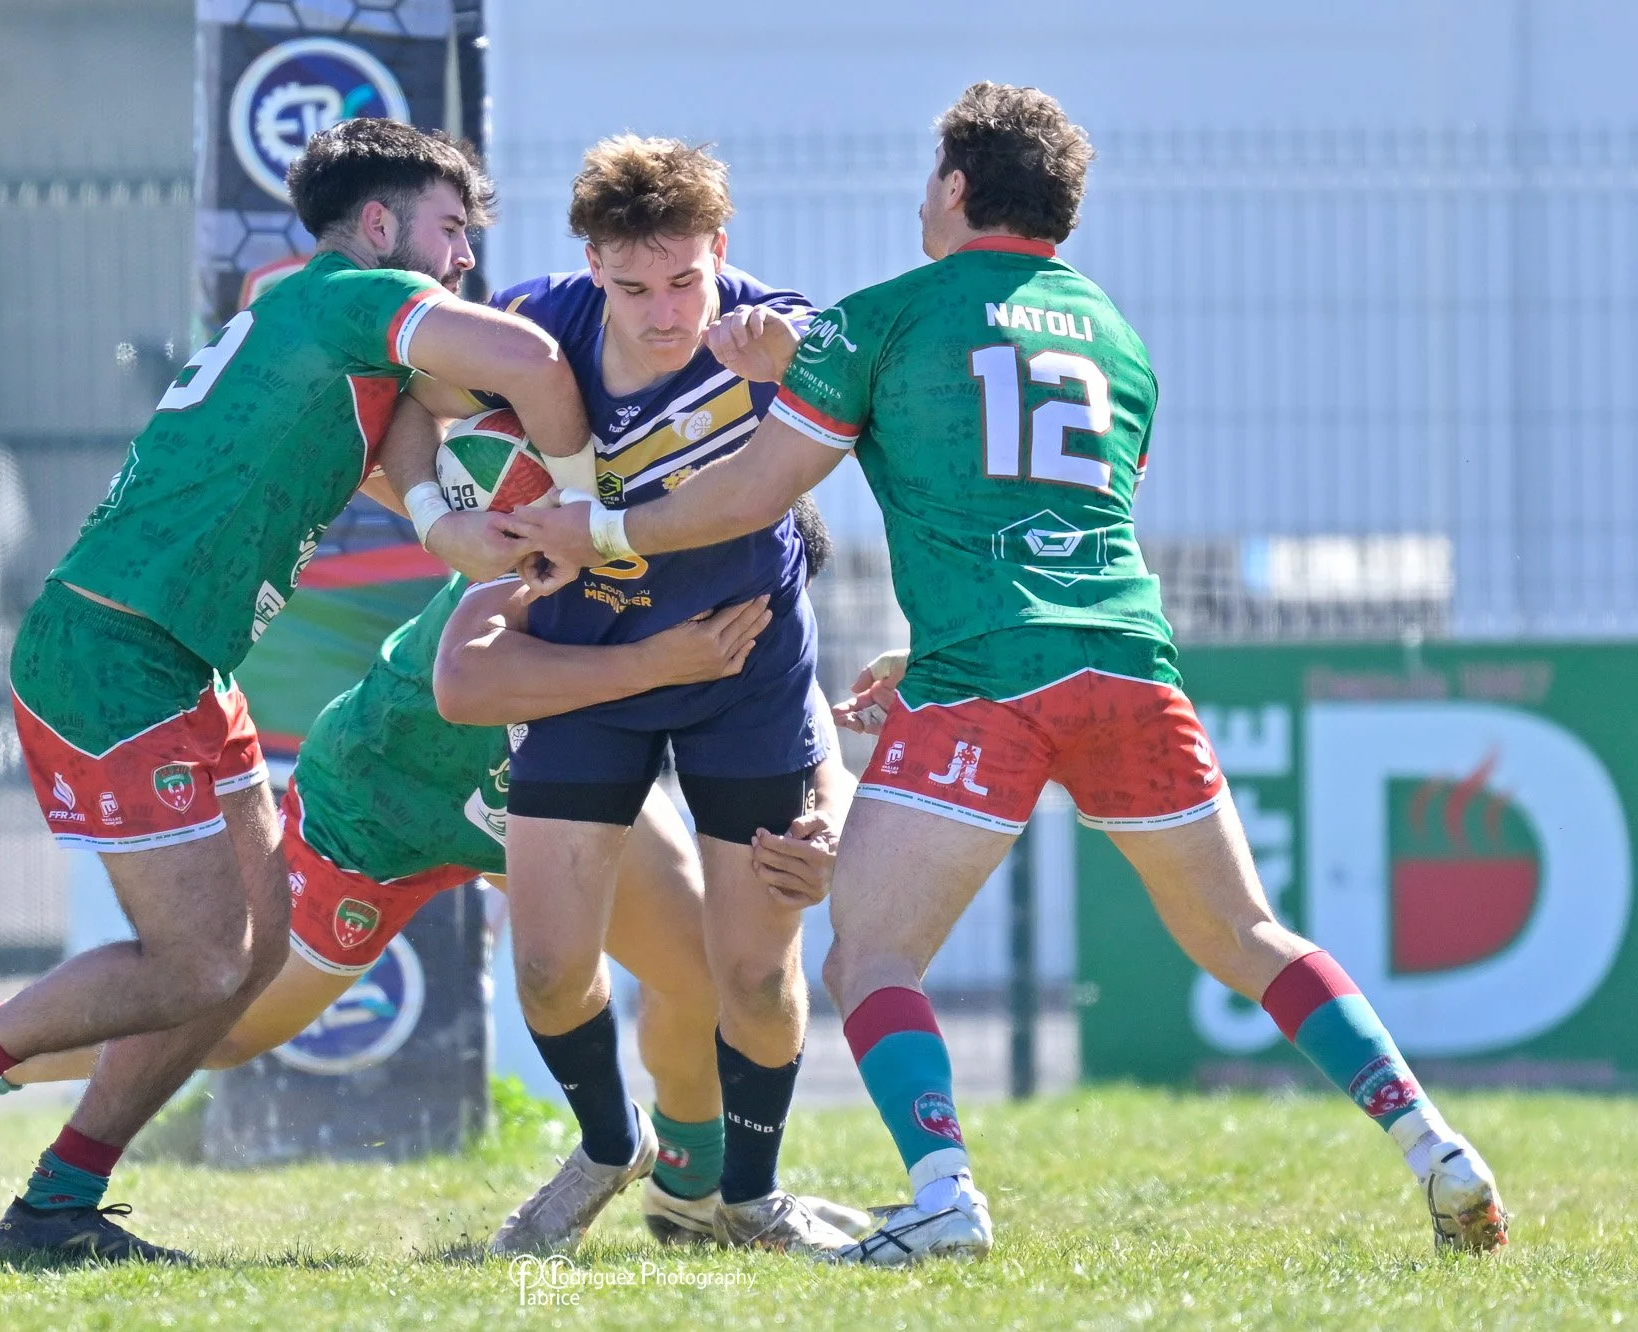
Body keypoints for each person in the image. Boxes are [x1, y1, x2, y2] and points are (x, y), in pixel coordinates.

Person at [504, 83, 1510, 1264]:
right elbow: (1046, 531)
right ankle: (1433, 1145)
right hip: (1129, 666)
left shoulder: (881, 316)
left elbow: (743, 496)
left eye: (928, 173)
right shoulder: (1120, 340)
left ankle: (941, 1194)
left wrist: (601, 535)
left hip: (986, 685)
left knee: (868, 956)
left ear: (956, 189)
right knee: (1247, 933)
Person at [0, 117, 596, 1263]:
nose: (463, 261)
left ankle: (55, 1208)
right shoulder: (351, 291)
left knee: (248, 959)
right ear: (383, 224)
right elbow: (532, 364)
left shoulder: (330, 316)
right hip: (111, 652)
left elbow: (404, 417)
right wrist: (590, 510)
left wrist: (452, 525)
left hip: (177, 660)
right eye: (450, 231)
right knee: (195, 959)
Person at [0, 516, 866, 1249]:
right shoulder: (563, 547)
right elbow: (474, 689)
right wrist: (656, 671)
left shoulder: (743, 605)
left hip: (553, 804)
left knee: (693, 962)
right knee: (232, 1023)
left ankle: (689, 1191)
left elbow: (804, 727)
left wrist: (825, 808)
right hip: (383, 805)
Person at [388, 136, 852, 1254]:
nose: (663, 313)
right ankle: (609, 1144)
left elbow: (827, 357)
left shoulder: (759, 326)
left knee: (752, 969)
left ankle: (746, 1198)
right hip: (592, 673)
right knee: (548, 970)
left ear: (720, 254)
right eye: (633, 285)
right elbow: (402, 398)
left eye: (686, 280)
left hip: (743, 671)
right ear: (589, 262)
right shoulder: (535, 326)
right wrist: (434, 517)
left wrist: (781, 349)